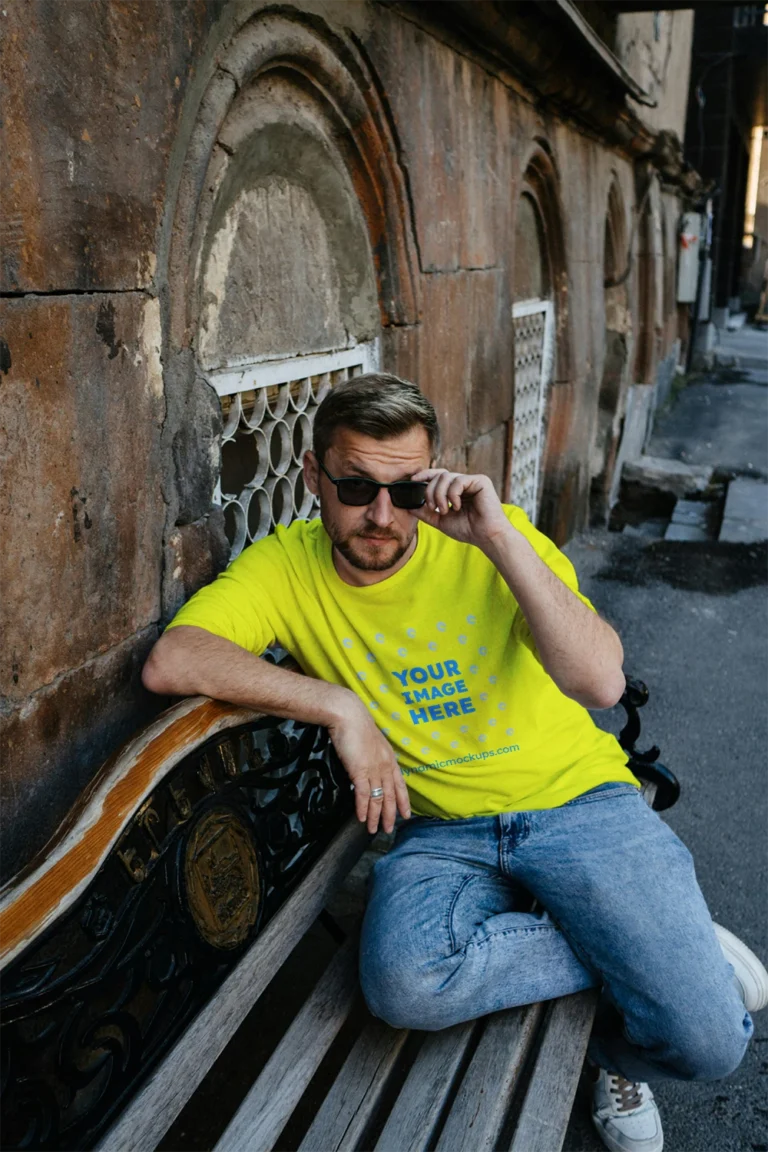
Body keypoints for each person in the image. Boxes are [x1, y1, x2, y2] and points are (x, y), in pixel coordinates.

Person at [142, 373, 767, 1152]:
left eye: (404, 493)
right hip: (443, 832)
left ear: (433, 477)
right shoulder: (287, 567)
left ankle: (615, 1047)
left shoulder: (488, 539)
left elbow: (600, 681)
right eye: (354, 486)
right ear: (311, 477)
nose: (379, 516)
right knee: (403, 983)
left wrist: (500, 539)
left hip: (580, 801)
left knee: (712, 1041)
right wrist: (341, 706)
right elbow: (174, 659)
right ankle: (650, 945)